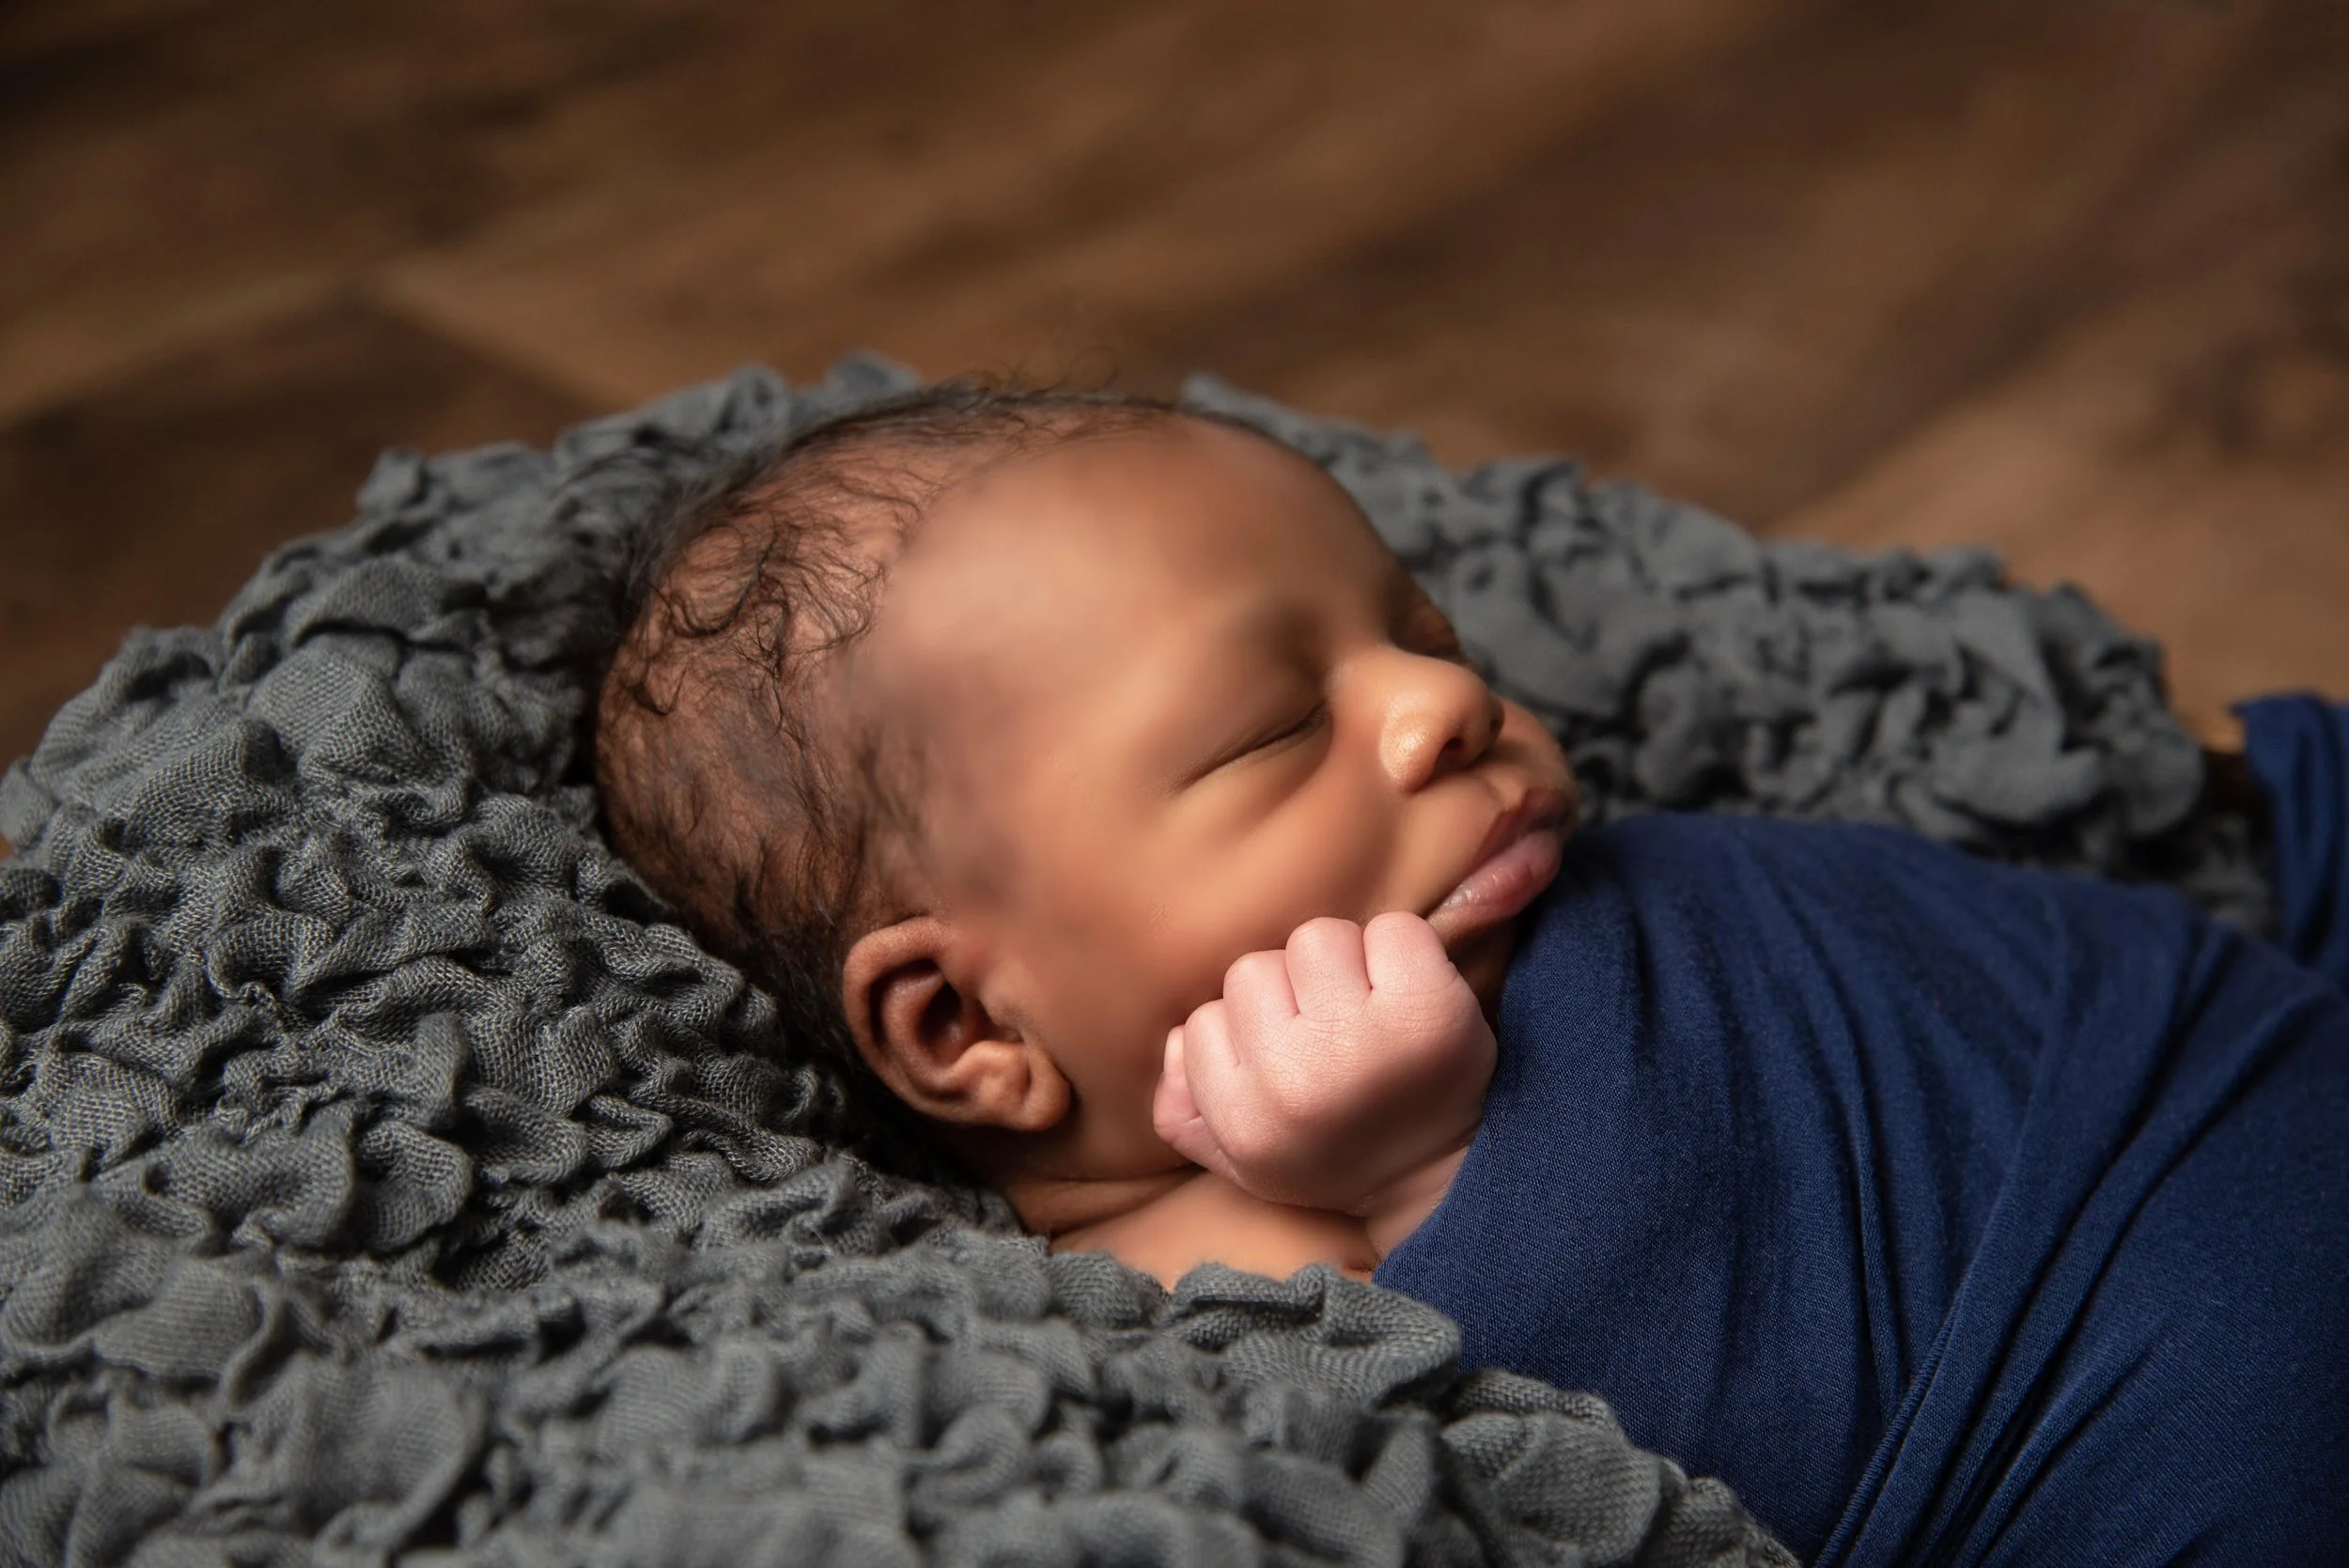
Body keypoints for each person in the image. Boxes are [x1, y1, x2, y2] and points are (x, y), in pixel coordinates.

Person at [594, 383, 2349, 1564]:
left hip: (2225, 1053)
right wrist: (1424, 1179)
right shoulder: (1171, 1279)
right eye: (1283, 727)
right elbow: (1609, 1458)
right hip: (2165, 1408)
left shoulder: (1515, 889)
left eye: (1417, 632)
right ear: (970, 1025)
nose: (1442, 702)